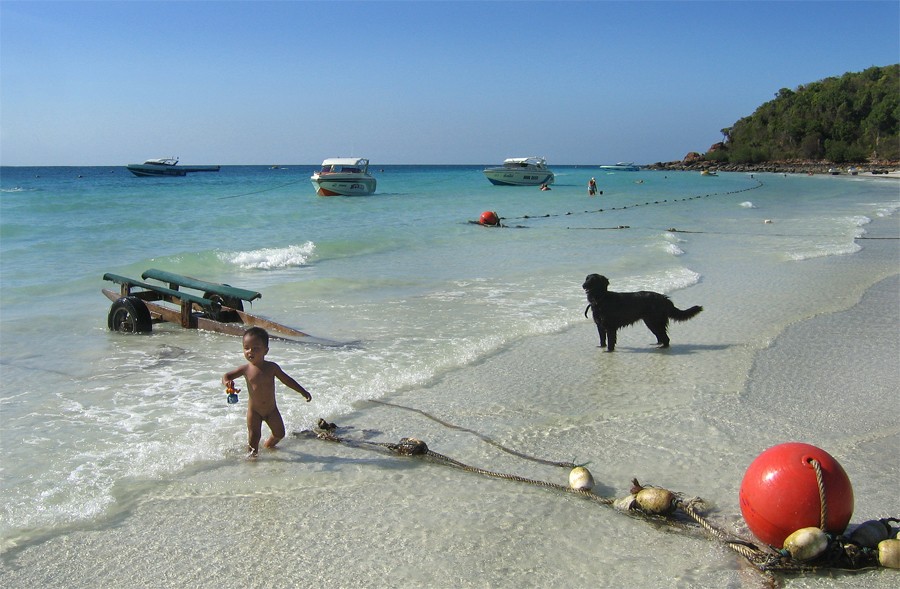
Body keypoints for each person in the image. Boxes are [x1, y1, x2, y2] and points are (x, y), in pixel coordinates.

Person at [223, 326, 312, 457]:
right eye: (246, 348)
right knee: (254, 439)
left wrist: (302, 391)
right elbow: (226, 376)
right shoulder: (245, 369)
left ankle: (269, 445)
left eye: (255, 348)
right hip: (254, 412)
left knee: (280, 433)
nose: (250, 351)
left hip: (271, 410)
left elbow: (287, 380)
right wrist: (227, 383)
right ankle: (252, 462)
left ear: (266, 350)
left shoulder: (272, 368)